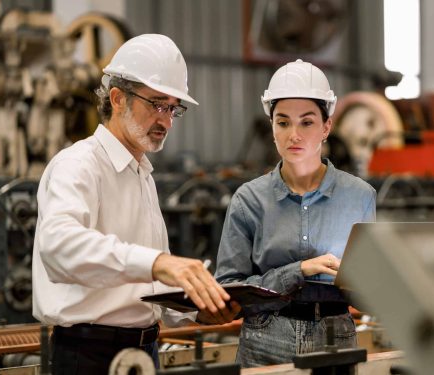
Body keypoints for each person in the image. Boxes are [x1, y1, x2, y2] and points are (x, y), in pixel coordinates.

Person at [32, 34, 240, 375]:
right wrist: (159, 263)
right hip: (89, 356)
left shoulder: (142, 175)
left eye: (173, 108)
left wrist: (198, 308)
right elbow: (59, 246)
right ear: (117, 98)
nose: (166, 122)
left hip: (145, 351)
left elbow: (149, 285)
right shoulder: (79, 165)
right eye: (156, 104)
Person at [215, 59, 376, 367]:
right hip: (265, 339)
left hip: (336, 337)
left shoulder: (360, 197)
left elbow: (368, 289)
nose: (294, 135)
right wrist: (298, 271)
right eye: (283, 122)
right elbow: (229, 290)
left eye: (307, 122)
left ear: (327, 127)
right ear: (272, 127)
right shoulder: (249, 200)